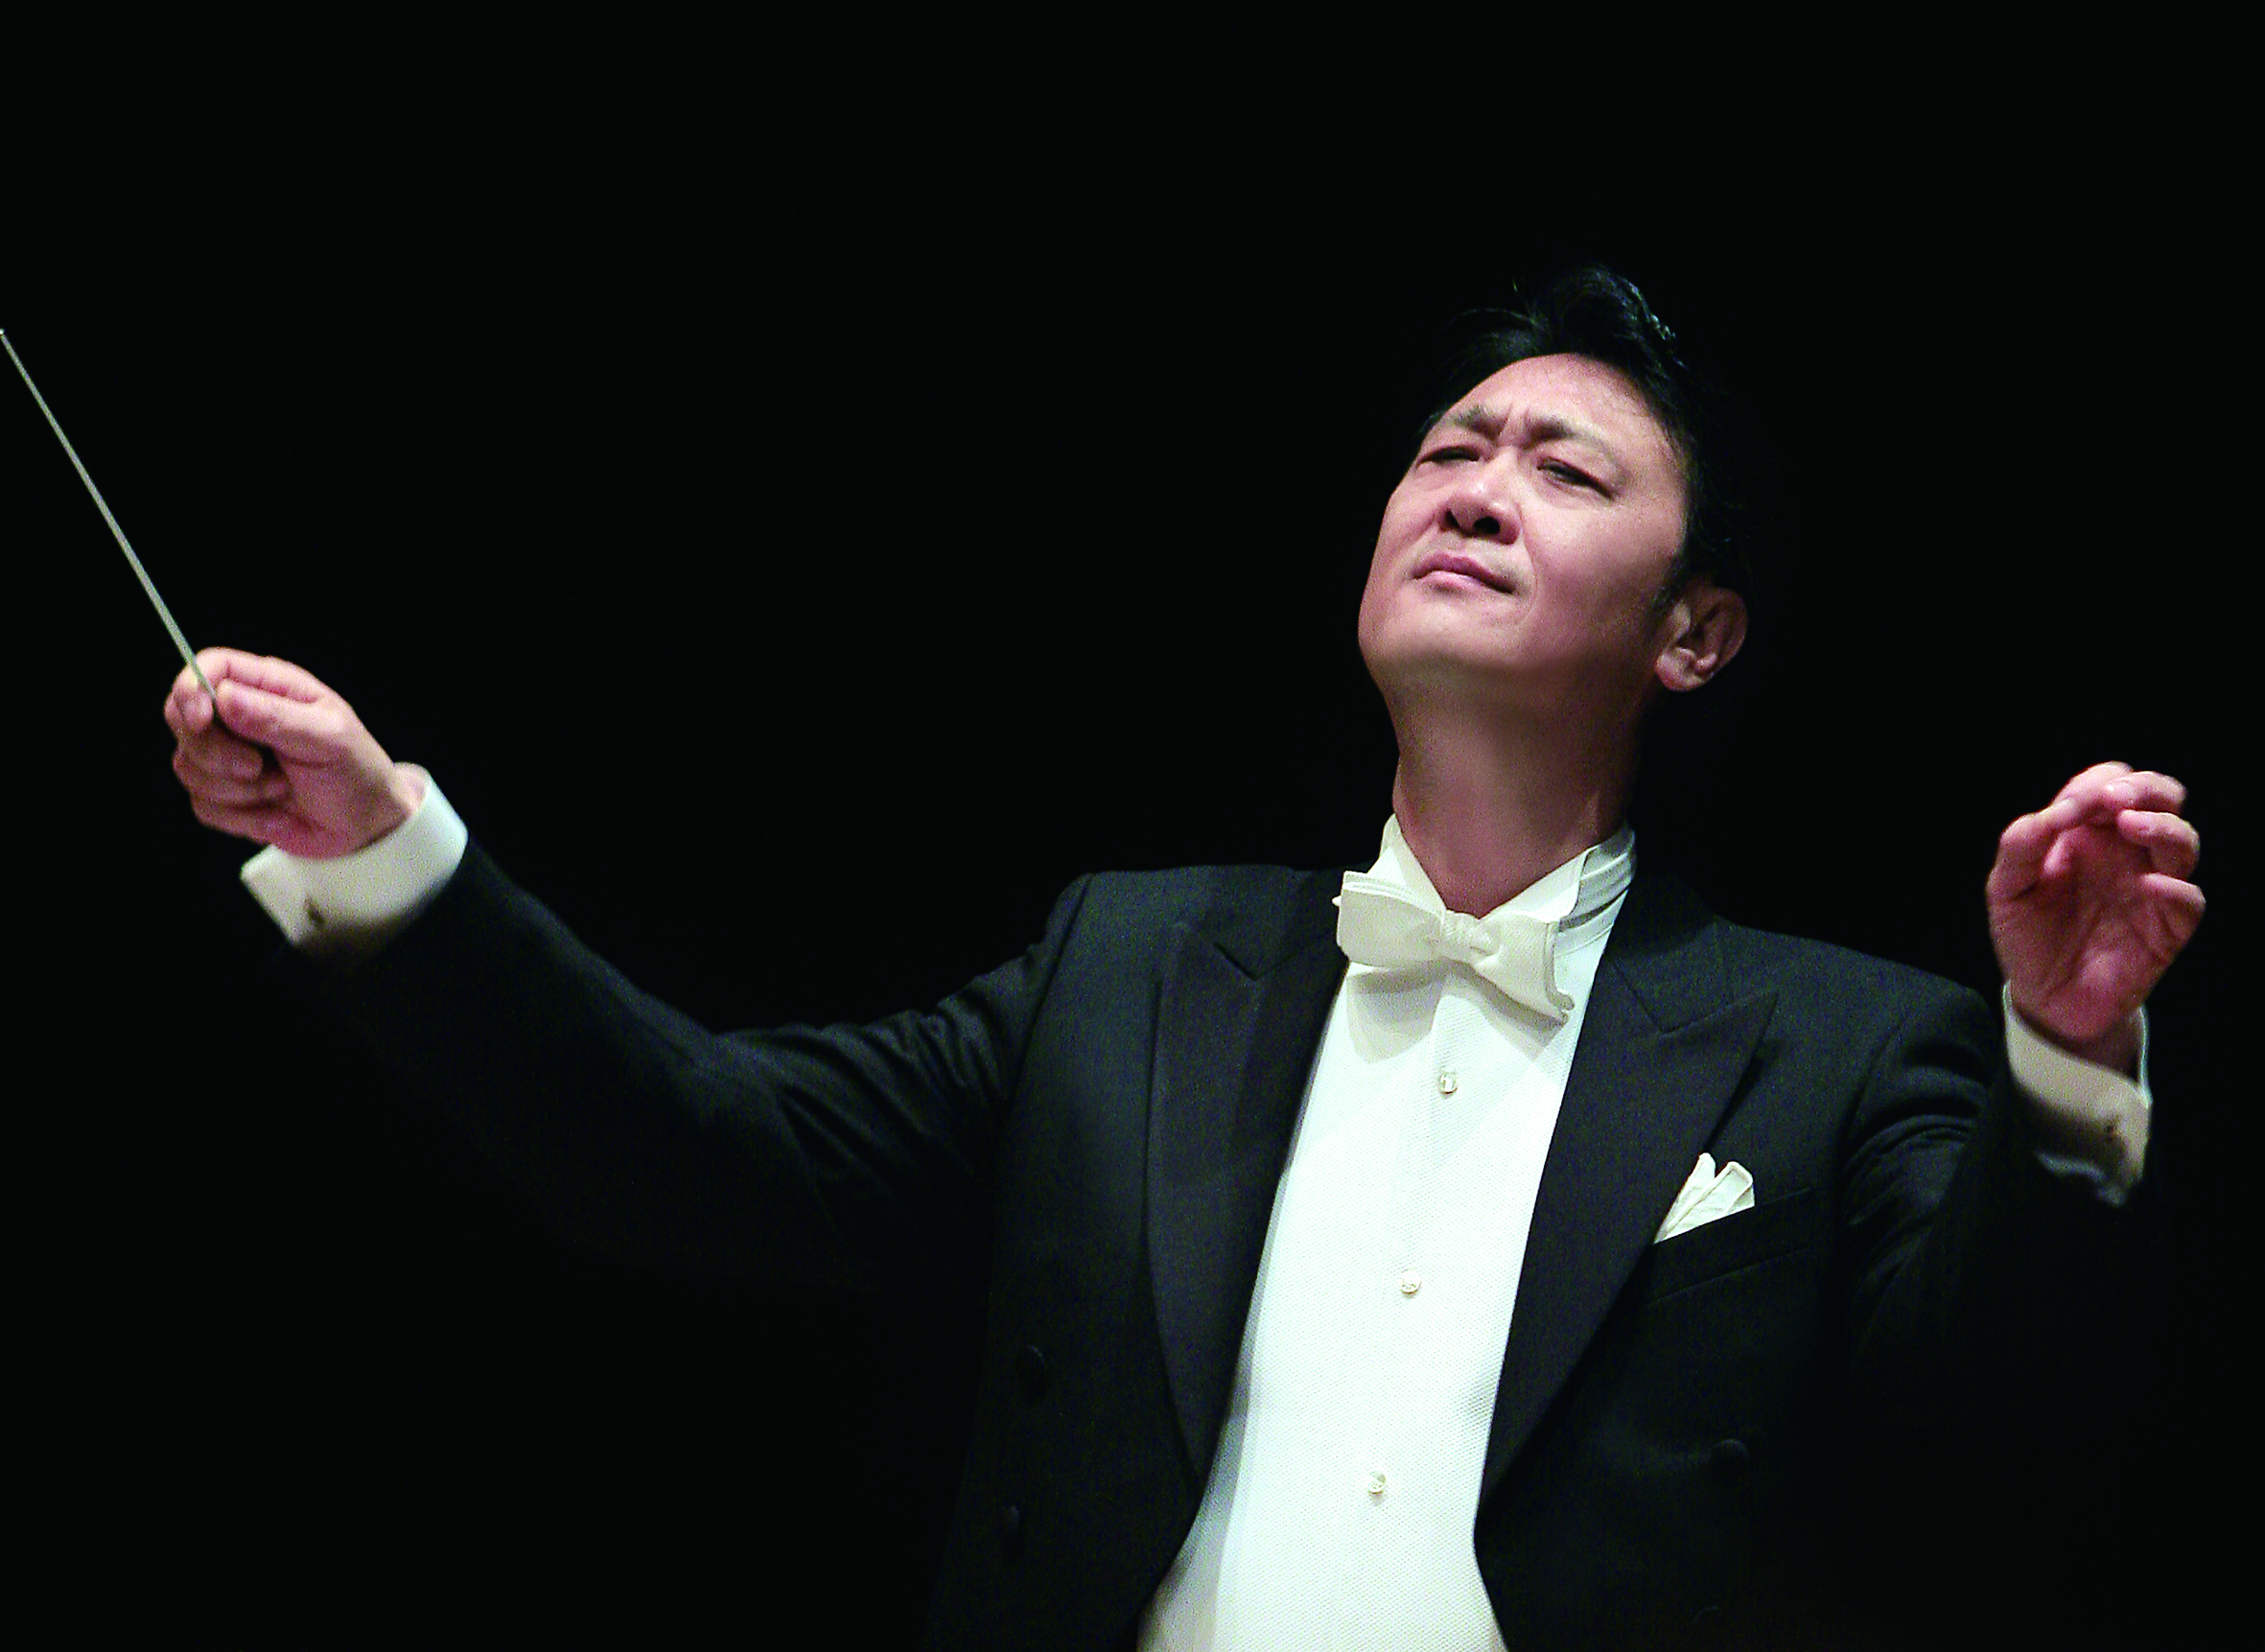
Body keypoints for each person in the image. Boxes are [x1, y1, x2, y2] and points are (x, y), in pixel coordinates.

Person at [162, 268, 2202, 1649]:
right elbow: (686, 1148)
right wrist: (389, 852)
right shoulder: (1124, 967)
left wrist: (2059, 1044)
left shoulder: (1841, 1042)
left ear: (1692, 632)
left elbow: (2011, 1402)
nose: (1477, 489)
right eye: (1447, 450)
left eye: (1563, 469)